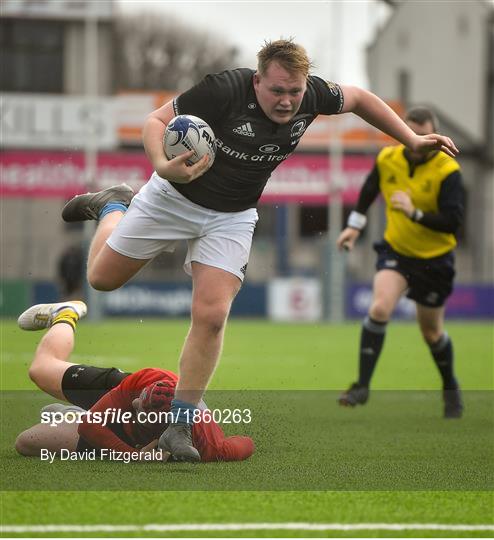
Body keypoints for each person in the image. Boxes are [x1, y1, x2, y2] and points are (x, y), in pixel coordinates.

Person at [60, 39, 459, 460]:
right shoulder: (223, 90)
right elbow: (155, 121)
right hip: (172, 198)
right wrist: (161, 164)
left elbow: (359, 98)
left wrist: (411, 140)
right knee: (101, 280)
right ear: (257, 81)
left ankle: (179, 424)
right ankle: (114, 205)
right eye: (277, 91)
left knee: (212, 315)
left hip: (231, 215)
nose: (287, 101)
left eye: (295, 92)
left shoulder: (315, 94)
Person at [336, 106, 464, 418]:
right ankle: (361, 386)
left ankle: (450, 387)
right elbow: (367, 194)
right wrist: (354, 226)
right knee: (379, 308)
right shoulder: (387, 158)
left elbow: (453, 221)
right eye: (411, 135)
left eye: (425, 136)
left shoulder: (448, 170)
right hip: (397, 251)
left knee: (431, 333)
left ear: (434, 137)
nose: (418, 141)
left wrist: (414, 213)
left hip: (435, 259)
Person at [15, 301, 255, 462]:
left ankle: (73, 413)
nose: (135, 405)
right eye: (141, 402)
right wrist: (133, 457)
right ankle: (66, 314)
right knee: (41, 370)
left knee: (27, 442)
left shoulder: (208, 445)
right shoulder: (142, 385)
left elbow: (246, 445)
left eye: (140, 410)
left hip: (133, 433)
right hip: (120, 388)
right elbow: (89, 425)